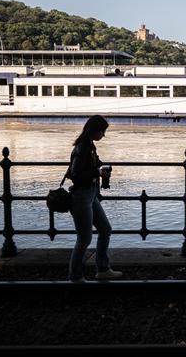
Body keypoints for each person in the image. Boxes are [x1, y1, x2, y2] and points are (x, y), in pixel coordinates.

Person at [67, 115, 123, 283]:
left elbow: (91, 165)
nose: (103, 135)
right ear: (95, 130)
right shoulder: (82, 147)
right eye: (102, 131)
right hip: (81, 196)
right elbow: (75, 174)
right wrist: (98, 172)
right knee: (84, 238)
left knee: (105, 229)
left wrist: (100, 166)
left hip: (89, 195)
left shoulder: (89, 145)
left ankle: (103, 269)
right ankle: (75, 276)